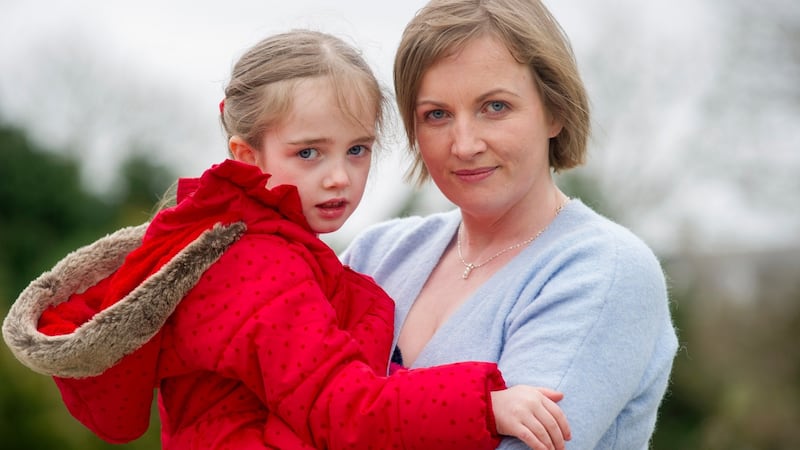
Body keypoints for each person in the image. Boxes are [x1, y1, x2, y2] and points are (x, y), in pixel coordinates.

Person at [2, 30, 571, 450]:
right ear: (247, 156)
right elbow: (345, 411)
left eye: (357, 149)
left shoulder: (260, 245)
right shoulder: (259, 266)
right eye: (308, 152)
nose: (338, 177)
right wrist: (485, 405)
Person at [340, 0, 679, 449]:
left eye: (494, 106)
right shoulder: (376, 255)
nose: (464, 144)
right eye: (436, 114)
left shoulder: (603, 270)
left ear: (554, 111)